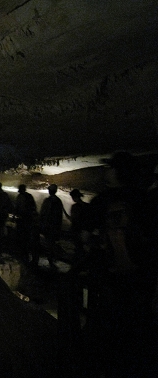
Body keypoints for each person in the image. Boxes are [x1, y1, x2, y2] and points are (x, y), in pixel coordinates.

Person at [85, 152, 158, 377]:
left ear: (117, 172)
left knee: (111, 326)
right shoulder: (146, 199)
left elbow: (85, 226)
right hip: (143, 276)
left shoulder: (105, 200)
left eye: (110, 168)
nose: (107, 172)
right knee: (139, 323)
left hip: (112, 276)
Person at [63, 189, 91, 263]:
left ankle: (78, 263)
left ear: (75, 197)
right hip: (85, 230)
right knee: (82, 247)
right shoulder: (87, 206)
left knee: (78, 247)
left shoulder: (75, 207)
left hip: (76, 230)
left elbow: (73, 219)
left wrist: (65, 213)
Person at [39, 183, 64, 267]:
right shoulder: (58, 201)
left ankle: (51, 259)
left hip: (48, 226)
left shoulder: (48, 201)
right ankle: (52, 259)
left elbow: (43, 213)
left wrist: (41, 224)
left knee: (49, 243)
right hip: (55, 226)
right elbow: (60, 216)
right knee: (52, 243)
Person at [14, 184, 38, 264]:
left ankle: (23, 254)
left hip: (22, 219)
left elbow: (17, 208)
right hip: (28, 219)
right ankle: (27, 254)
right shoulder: (29, 196)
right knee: (27, 236)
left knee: (22, 236)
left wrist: (15, 216)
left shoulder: (20, 197)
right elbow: (34, 207)